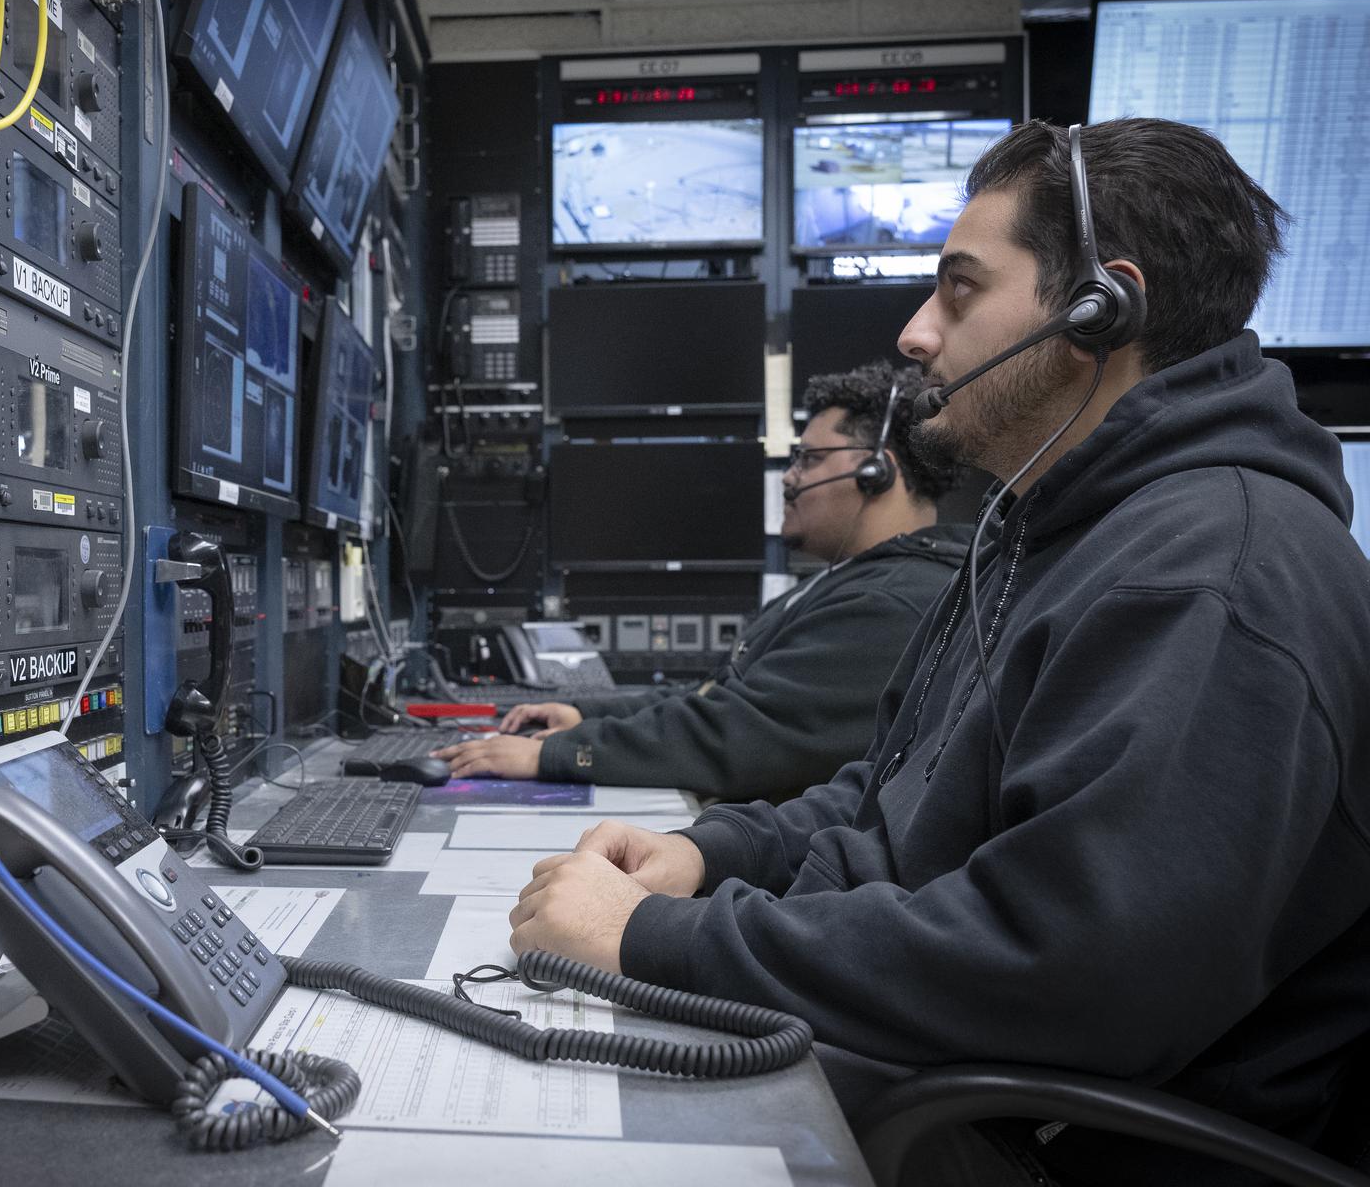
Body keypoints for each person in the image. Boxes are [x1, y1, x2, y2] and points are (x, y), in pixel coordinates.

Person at [504, 118, 1370, 1184]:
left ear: (1106, 307)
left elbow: (1068, 969)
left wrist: (652, 942)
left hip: (1051, 1143)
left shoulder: (1207, 572)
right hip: (957, 1080)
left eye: (959, 290)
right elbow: (894, 801)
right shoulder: (1049, 535)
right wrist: (715, 855)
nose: (917, 333)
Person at [433, 362, 968, 802]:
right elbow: (717, 696)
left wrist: (552, 755)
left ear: (877, 471)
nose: (789, 476)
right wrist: (586, 714)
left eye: (809, 459)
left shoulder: (890, 601)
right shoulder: (856, 579)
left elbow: (738, 734)